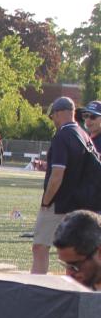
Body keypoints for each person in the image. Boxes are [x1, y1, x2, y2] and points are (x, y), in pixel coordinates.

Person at [30, 97, 101, 274]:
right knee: (77, 252)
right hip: (79, 202)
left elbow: (57, 175)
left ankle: (37, 285)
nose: (52, 119)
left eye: (52, 115)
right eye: (86, 116)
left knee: (40, 247)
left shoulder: (63, 135)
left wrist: (46, 202)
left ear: (59, 113)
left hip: (61, 201)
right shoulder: (83, 134)